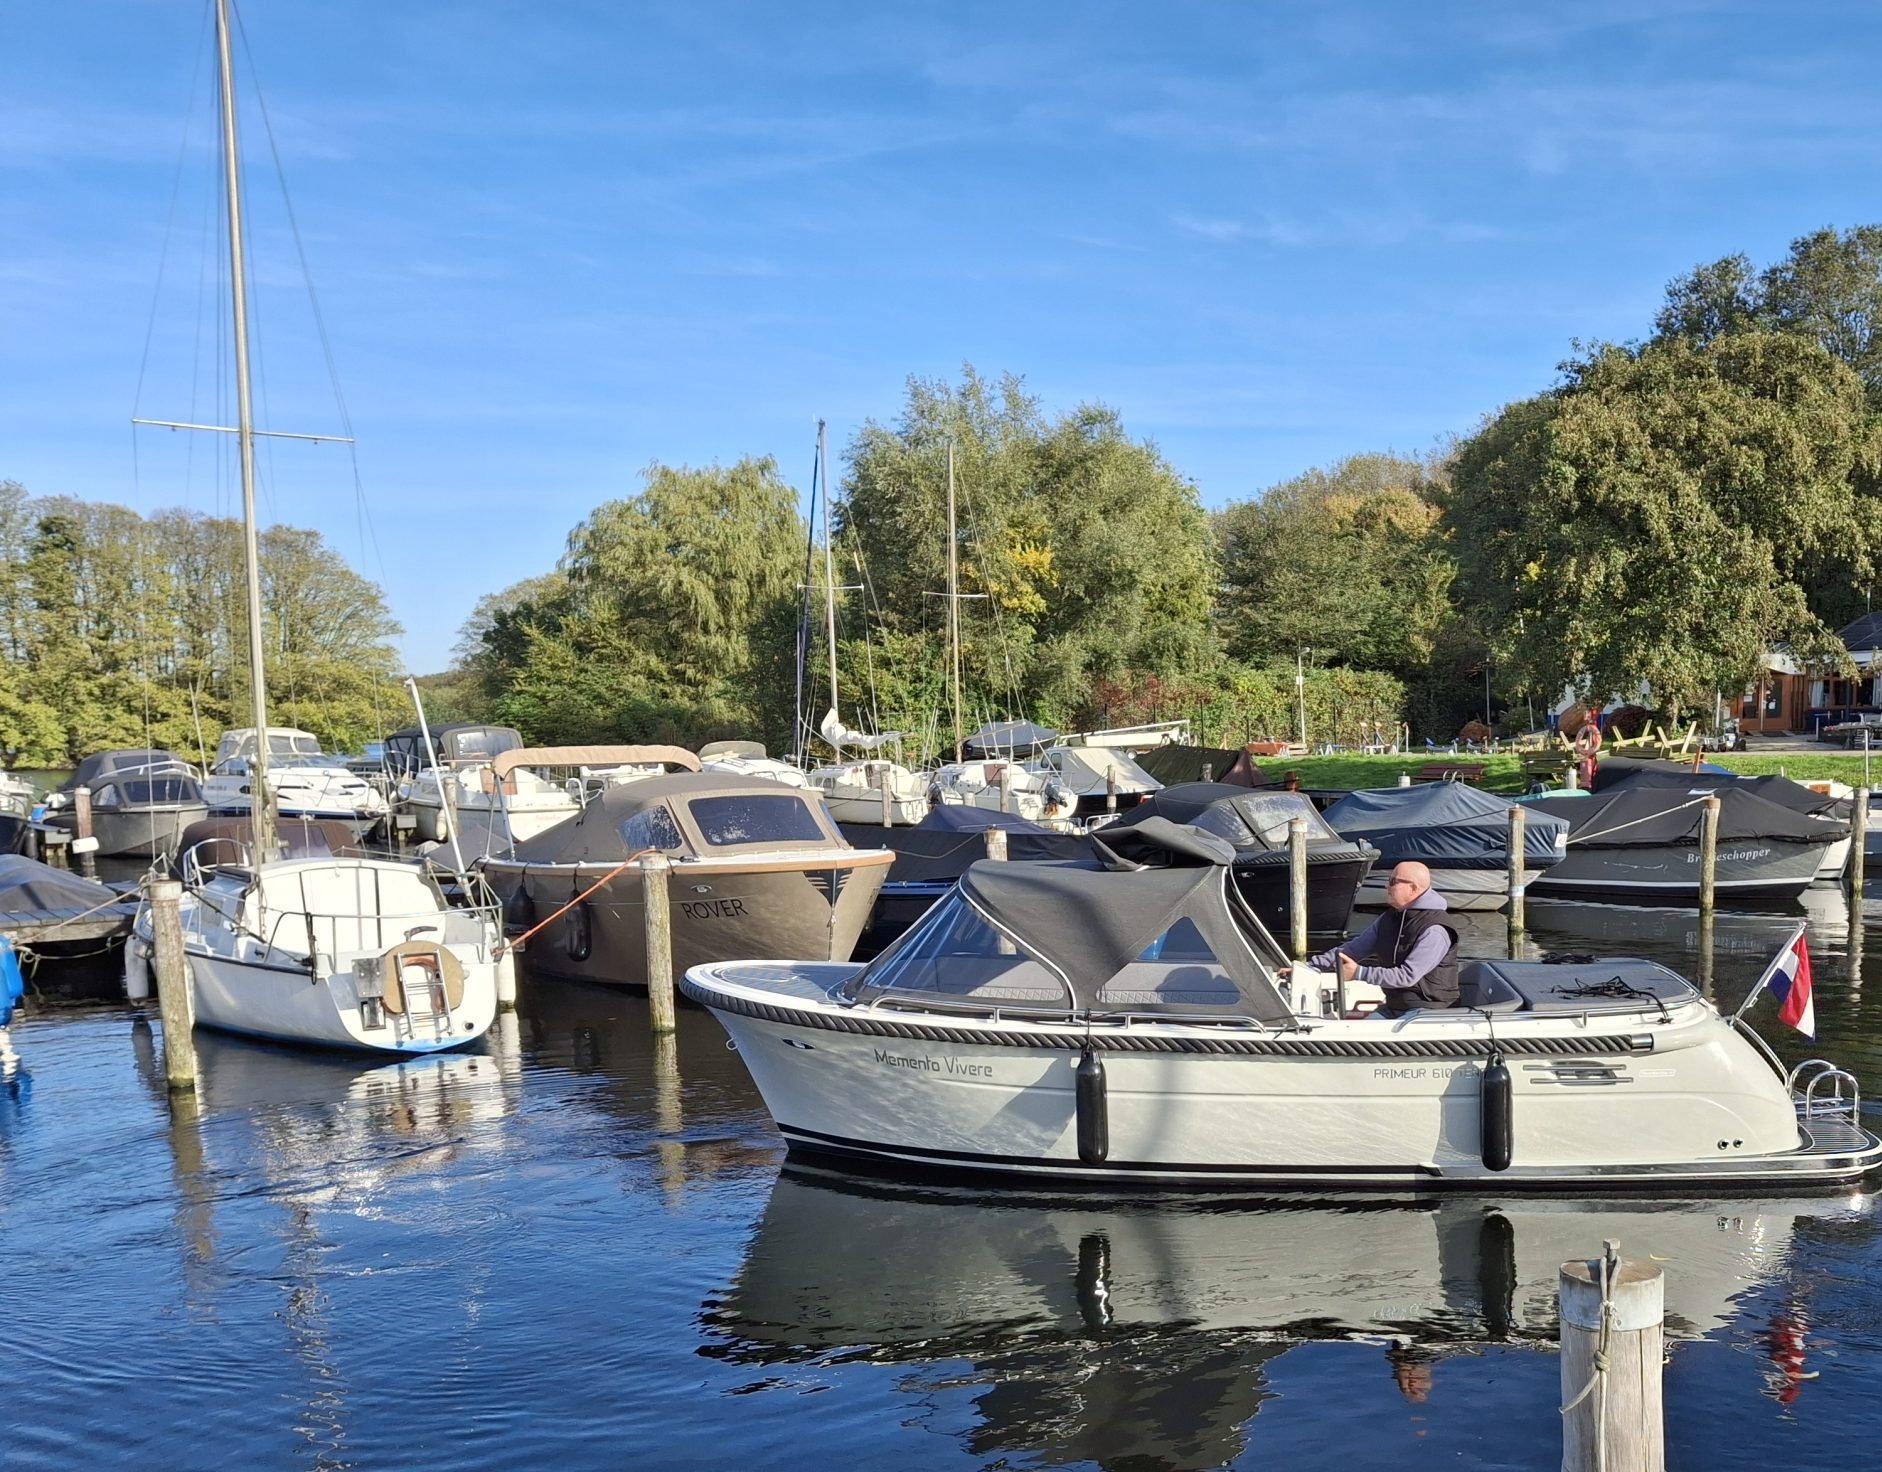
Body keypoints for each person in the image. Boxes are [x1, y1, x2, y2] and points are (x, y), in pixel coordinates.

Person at [1280, 860, 1460, 1015]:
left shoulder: (1435, 929)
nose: (1387, 886)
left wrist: (1359, 973)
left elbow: (1408, 976)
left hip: (1429, 1010)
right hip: (1395, 1007)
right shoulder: (1389, 918)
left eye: (1393, 881)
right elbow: (1351, 950)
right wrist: (1308, 968)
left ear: (1413, 888)